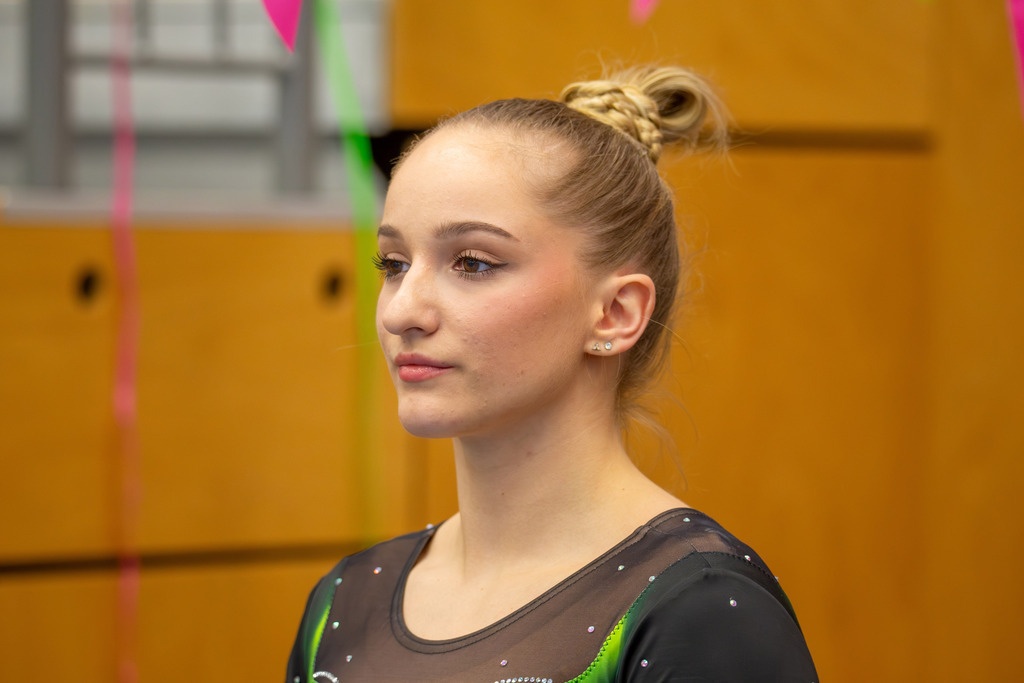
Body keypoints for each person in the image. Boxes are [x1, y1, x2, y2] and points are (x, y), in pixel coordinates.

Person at [286, 65, 818, 682]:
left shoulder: (697, 610)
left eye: (473, 263)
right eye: (394, 263)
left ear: (615, 313)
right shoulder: (346, 604)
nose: (401, 311)